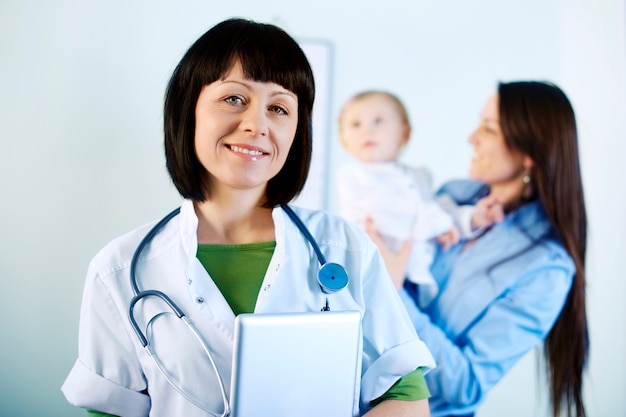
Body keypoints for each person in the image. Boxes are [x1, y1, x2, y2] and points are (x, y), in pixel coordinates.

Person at [60, 18, 436, 417]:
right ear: (188, 111)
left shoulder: (344, 248)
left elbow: (405, 394)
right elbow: (110, 409)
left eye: (278, 108)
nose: (257, 124)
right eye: (234, 99)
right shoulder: (118, 271)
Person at [366, 81, 588, 417]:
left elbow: (466, 386)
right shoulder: (452, 196)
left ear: (529, 152)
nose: (471, 138)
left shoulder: (547, 268)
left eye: (488, 128)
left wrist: (394, 289)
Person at [336, 90, 460, 306]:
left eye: (379, 121)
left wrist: (453, 223)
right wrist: (436, 223)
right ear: (344, 140)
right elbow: (385, 211)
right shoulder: (353, 176)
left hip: (417, 274)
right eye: (356, 125)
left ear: (404, 134)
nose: (368, 130)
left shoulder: (418, 176)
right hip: (374, 274)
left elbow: (433, 206)